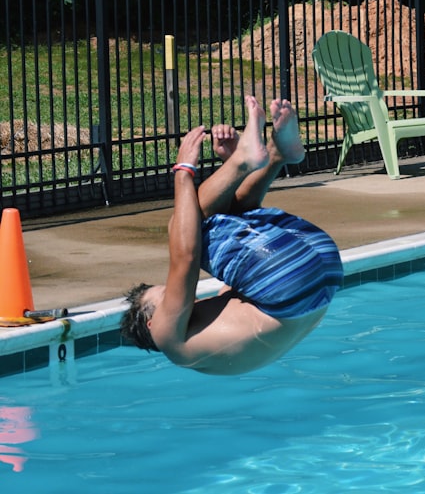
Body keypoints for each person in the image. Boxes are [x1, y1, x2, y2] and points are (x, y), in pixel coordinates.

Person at [120, 95, 343, 375]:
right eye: (165, 297)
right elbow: (185, 257)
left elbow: (240, 227)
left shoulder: (213, 325)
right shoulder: (167, 337)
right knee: (184, 227)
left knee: (224, 218)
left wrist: (229, 163)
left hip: (322, 273)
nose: (179, 294)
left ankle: (276, 154)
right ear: (151, 322)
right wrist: (183, 172)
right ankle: (253, 160)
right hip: (289, 285)